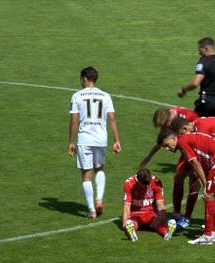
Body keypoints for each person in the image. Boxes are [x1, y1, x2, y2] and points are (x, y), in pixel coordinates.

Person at [157, 129, 215, 245]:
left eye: (167, 145)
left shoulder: (181, 142)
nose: (167, 149)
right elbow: (201, 160)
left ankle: (207, 236)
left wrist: (206, 184)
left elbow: (195, 163)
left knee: (208, 195)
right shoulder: (188, 138)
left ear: (173, 138)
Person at [68, 66, 121, 218]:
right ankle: (99, 199)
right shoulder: (105, 96)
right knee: (99, 169)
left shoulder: (77, 96)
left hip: (85, 139)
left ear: (84, 78)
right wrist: (116, 140)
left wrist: (71, 141)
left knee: (86, 175)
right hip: (101, 139)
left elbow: (73, 120)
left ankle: (92, 210)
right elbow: (112, 118)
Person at [177, 37, 215, 122]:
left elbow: (195, 83)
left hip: (207, 101)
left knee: (196, 126)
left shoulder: (203, 62)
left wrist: (183, 90)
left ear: (206, 49)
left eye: (200, 50)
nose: (199, 52)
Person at [122, 169, 177, 241]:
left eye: (148, 184)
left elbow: (160, 204)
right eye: (144, 185)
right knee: (132, 223)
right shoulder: (129, 183)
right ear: (138, 181)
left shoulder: (156, 182)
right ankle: (132, 232)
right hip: (135, 214)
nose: (146, 187)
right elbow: (127, 205)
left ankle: (166, 233)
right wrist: (124, 223)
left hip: (151, 214)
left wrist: (163, 220)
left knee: (158, 223)